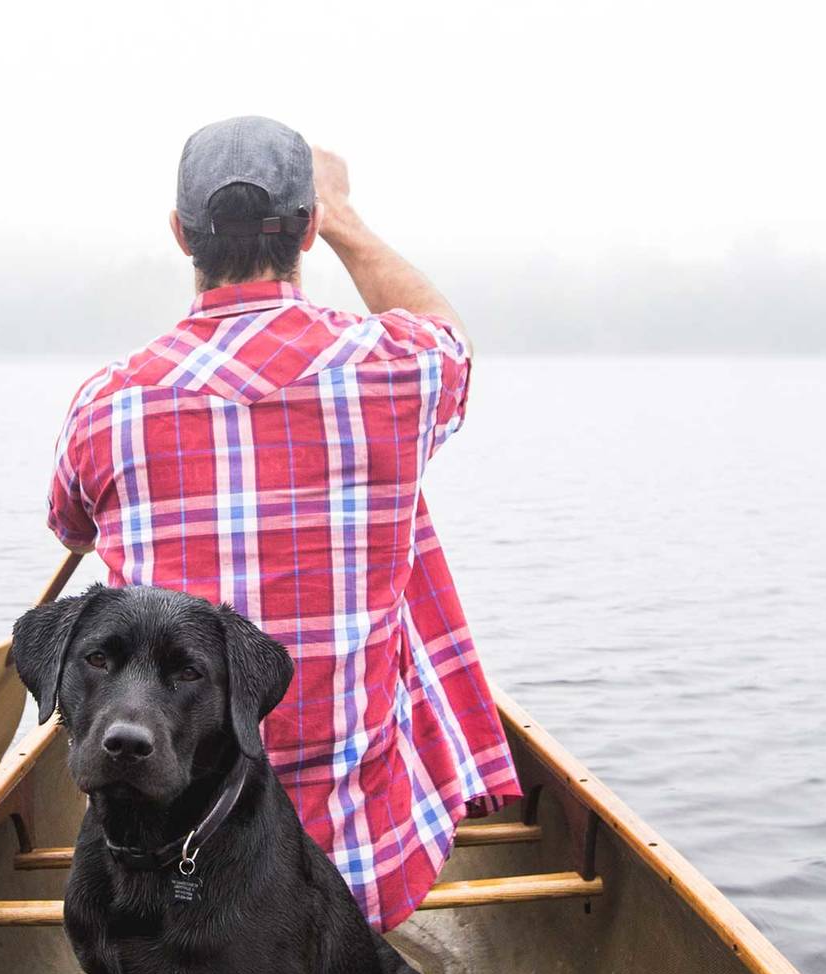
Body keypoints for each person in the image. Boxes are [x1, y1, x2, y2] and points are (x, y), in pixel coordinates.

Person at [45, 116, 519, 931]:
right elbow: (453, 337)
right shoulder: (399, 369)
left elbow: (71, 526)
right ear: (306, 228)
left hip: (167, 863)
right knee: (409, 562)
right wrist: (346, 214)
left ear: (180, 234)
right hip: (356, 866)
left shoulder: (105, 405)